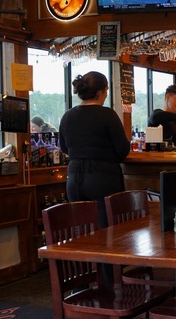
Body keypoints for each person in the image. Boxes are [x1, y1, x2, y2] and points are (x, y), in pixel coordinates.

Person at [59, 71, 130, 228]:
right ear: (100, 92)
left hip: (74, 179)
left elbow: (64, 148)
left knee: (80, 230)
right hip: (102, 178)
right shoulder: (107, 114)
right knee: (106, 231)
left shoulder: (67, 116)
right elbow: (123, 149)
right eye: (107, 90)